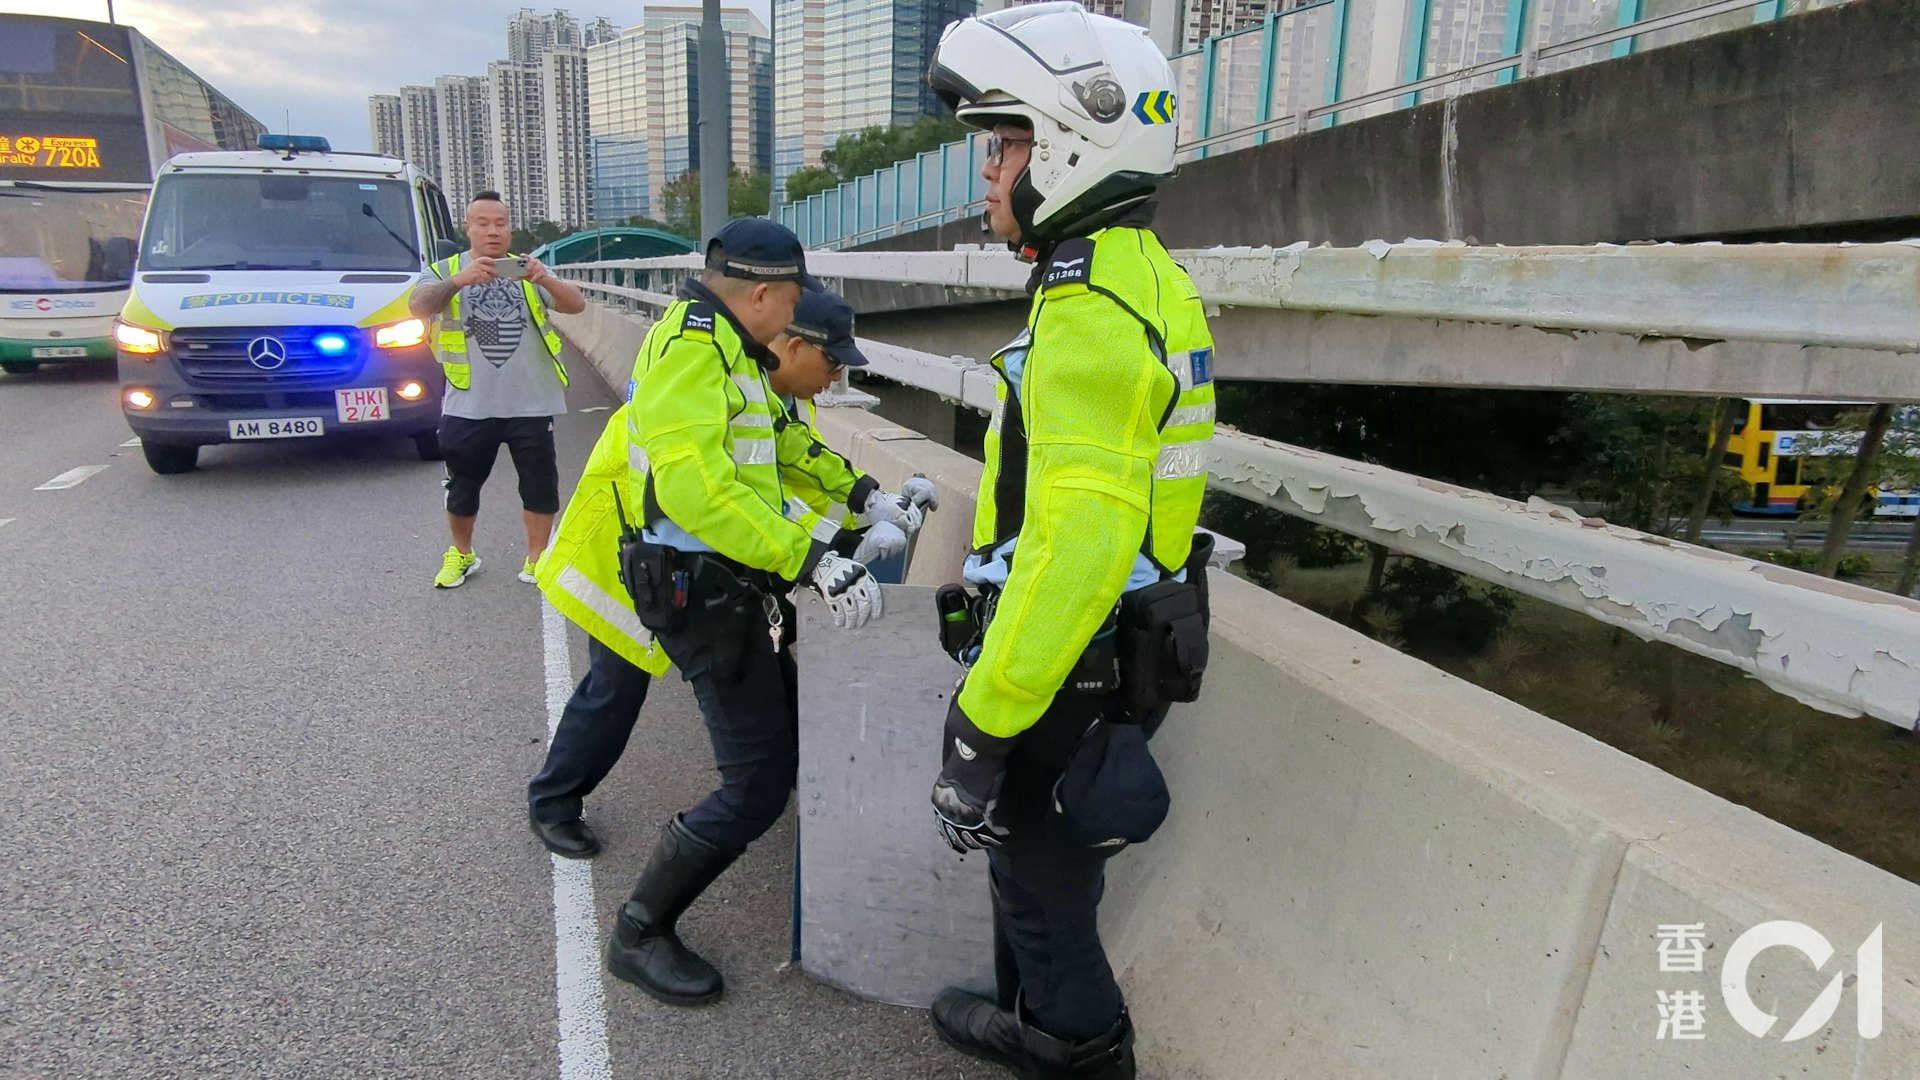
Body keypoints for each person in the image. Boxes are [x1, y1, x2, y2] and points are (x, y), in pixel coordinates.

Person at [922, 5, 1219, 1077]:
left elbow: (1075, 548)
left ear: (1068, 146)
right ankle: (1028, 1024)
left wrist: (981, 723)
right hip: (1128, 636)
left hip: (1069, 663)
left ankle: (1077, 1051)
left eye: (1005, 145)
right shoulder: (1143, 272)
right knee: (1044, 875)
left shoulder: (1088, 308)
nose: (988, 172)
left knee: (1044, 897)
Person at [605, 220, 933, 1006]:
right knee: (754, 782)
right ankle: (639, 930)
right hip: (699, 592)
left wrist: (864, 497)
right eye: (791, 301)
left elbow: (783, 450)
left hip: (731, 584)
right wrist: (812, 560)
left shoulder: (734, 353)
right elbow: (695, 489)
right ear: (761, 294)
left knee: (790, 728)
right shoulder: (692, 349)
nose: (794, 316)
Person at [524, 284, 927, 860]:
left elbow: (790, 482)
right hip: (638, 553)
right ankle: (553, 800)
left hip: (699, 559)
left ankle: (801, 780)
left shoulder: (775, 393)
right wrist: (831, 551)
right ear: (792, 345)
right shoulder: (720, 379)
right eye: (831, 361)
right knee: (615, 686)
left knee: (772, 671)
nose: (837, 376)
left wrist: (866, 506)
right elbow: (739, 499)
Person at [408, 191, 587, 589]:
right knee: (462, 486)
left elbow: (576, 305)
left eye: (500, 223)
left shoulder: (529, 269)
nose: (493, 231)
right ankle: (462, 553)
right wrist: (459, 281)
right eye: (483, 223)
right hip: (469, 403)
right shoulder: (444, 270)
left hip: (532, 400)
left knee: (540, 486)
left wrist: (545, 278)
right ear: (468, 228)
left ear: (510, 228)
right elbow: (419, 306)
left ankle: (538, 558)